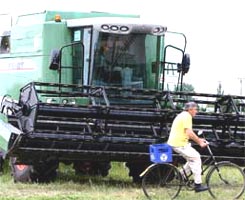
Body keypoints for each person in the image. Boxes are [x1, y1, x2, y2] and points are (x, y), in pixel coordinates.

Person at [167, 102, 209, 192]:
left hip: (177, 142)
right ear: (190, 110)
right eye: (195, 109)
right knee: (196, 157)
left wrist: (199, 140)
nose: (196, 112)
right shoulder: (187, 116)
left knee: (191, 158)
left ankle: (181, 175)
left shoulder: (183, 115)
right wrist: (200, 142)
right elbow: (189, 133)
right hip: (179, 143)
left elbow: (189, 133)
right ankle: (198, 185)